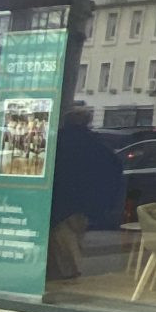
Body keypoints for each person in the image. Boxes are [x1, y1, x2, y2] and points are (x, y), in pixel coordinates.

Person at [48, 106, 124, 280]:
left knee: (62, 240)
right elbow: (114, 168)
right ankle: (68, 273)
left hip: (60, 199)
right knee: (73, 238)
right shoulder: (96, 143)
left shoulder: (58, 141)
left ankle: (67, 274)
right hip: (84, 201)